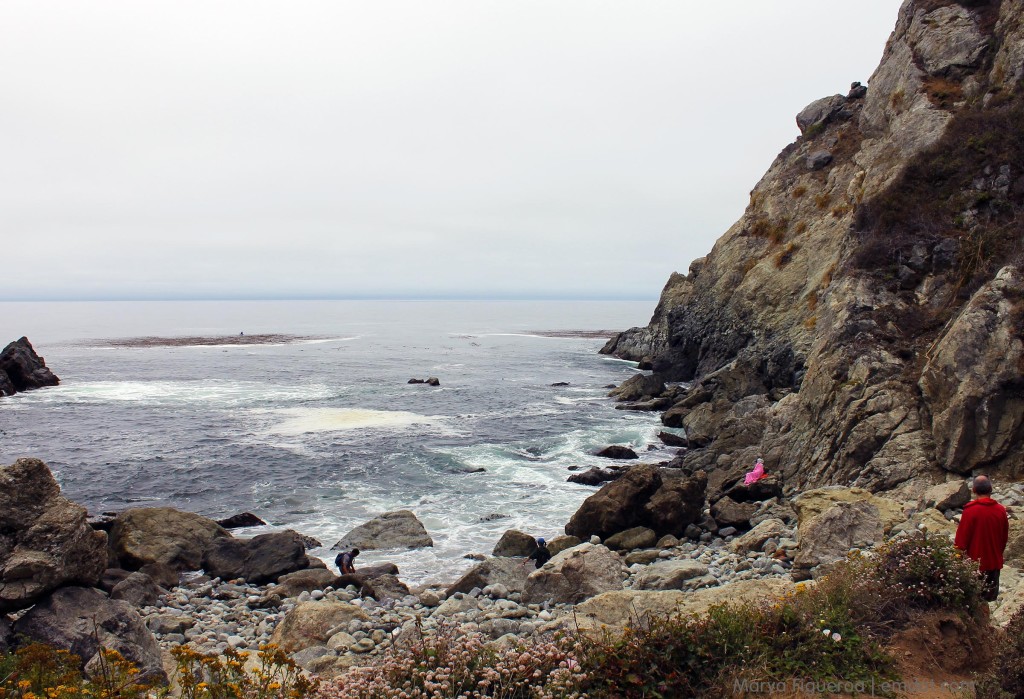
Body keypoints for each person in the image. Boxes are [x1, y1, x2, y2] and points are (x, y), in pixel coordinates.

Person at [954, 475, 1009, 602]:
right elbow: (1004, 538)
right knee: (989, 601)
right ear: (990, 490)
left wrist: (957, 559)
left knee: (973, 601)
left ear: (974, 490)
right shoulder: (1000, 510)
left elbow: (961, 540)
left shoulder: (970, 510)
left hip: (974, 564)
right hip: (994, 563)